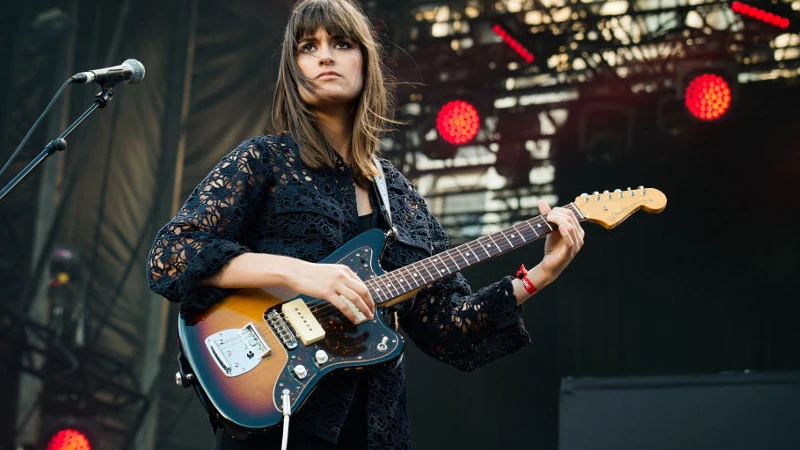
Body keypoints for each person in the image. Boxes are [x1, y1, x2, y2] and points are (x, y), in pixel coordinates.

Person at [145, 0, 585, 448]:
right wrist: (300, 272)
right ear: (293, 68)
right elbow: (170, 256)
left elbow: (450, 328)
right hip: (282, 415)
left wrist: (540, 275)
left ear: (365, 61)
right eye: (307, 47)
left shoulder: (399, 196)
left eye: (341, 43)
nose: (324, 56)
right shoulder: (264, 161)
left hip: (376, 426)